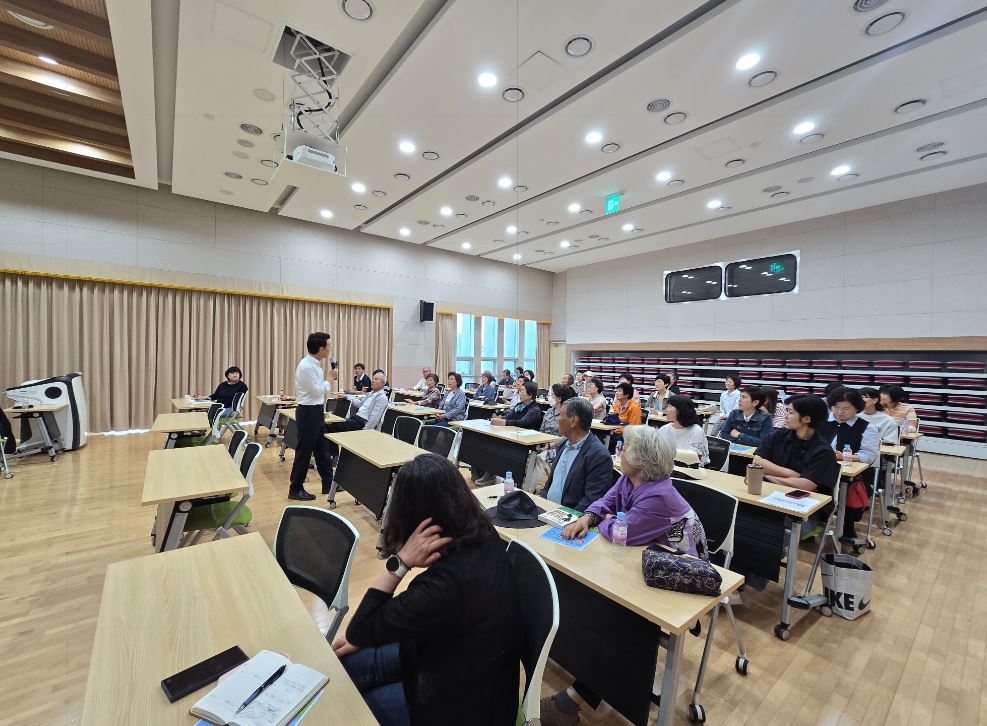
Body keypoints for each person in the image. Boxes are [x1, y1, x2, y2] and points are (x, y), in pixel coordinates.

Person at [334, 454, 521, 726]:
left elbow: (358, 630)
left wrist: (400, 563)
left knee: (350, 706)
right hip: (457, 663)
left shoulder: (443, 586)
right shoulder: (480, 529)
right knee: (345, 668)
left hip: (467, 707)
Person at [543, 426, 708, 726]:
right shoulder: (629, 479)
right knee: (592, 598)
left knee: (617, 621)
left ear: (642, 460)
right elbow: (605, 504)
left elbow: (624, 533)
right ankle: (581, 675)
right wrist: (589, 517)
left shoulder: (658, 495)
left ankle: (574, 698)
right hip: (642, 561)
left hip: (678, 579)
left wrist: (606, 521)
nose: (619, 452)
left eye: (626, 448)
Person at [753, 394, 840, 496]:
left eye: (790, 412)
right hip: (770, 493)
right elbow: (757, 461)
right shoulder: (777, 435)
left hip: (804, 500)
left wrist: (766, 476)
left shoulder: (823, 451)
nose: (786, 416)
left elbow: (805, 485)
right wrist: (793, 474)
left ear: (806, 419)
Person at [288, 332, 338, 501]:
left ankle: (328, 483)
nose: (330, 348)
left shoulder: (314, 364)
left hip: (315, 411)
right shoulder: (307, 366)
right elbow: (316, 391)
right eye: (328, 345)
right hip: (308, 412)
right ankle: (295, 488)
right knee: (304, 451)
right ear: (321, 349)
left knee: (322, 449)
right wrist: (329, 379)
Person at [540, 397, 614, 511]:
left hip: (569, 516)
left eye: (561, 415)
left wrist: (558, 515)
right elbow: (549, 484)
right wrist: (541, 503)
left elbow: (591, 501)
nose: (558, 419)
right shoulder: (564, 443)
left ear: (573, 420)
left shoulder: (599, 455)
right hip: (547, 509)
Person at [324, 372, 391, 461]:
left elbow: (374, 418)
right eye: (373, 379)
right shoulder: (371, 394)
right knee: (330, 425)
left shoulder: (381, 398)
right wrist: (347, 397)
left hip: (362, 423)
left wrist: (364, 432)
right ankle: (334, 456)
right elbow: (359, 404)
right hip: (356, 419)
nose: (372, 381)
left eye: (376, 379)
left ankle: (334, 457)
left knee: (330, 426)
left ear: (382, 383)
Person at [818, 388, 879, 465]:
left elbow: (869, 456)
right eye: (836, 407)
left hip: (850, 469)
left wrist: (844, 457)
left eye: (846, 409)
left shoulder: (867, 428)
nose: (840, 412)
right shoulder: (820, 421)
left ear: (857, 408)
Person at [657, 394, 709, 465]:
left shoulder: (696, 431)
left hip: (688, 469)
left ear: (681, 410)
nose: (666, 410)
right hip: (666, 467)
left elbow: (694, 459)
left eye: (669, 406)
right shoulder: (664, 429)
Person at [609, 382, 642, 452]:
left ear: (627, 395)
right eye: (617, 391)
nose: (616, 393)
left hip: (628, 434)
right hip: (615, 431)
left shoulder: (634, 407)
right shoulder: (616, 405)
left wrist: (620, 430)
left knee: (612, 441)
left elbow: (634, 426)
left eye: (619, 391)